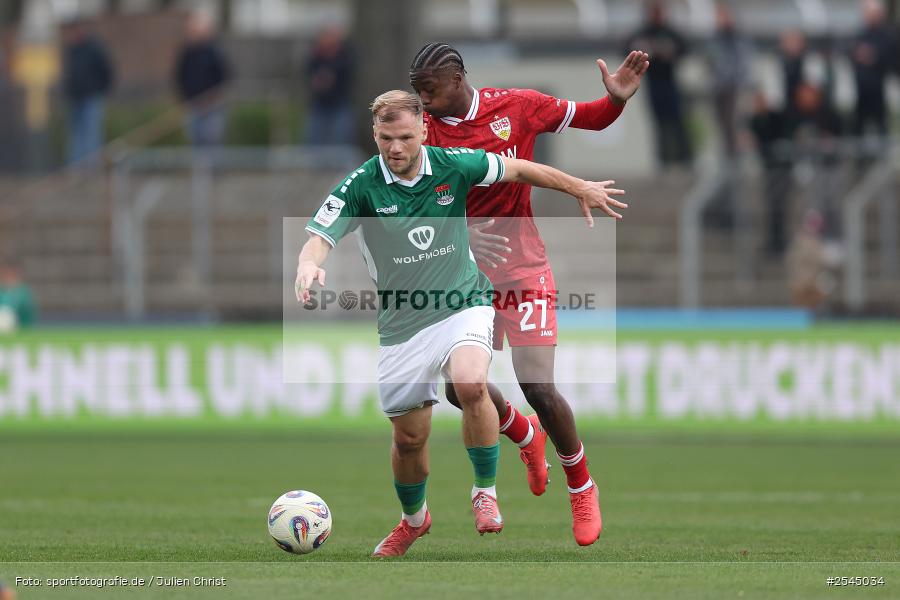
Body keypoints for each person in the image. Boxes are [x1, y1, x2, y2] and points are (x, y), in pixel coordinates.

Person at [295, 90, 627, 557]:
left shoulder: (453, 164)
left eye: (405, 137)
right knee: (409, 440)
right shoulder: (361, 185)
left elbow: (519, 169)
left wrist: (579, 187)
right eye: (386, 138)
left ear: (423, 130)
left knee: (470, 382)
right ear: (374, 133)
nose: (395, 148)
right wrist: (307, 265)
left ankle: (484, 494)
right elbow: (319, 235)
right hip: (403, 322)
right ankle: (415, 520)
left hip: (463, 300)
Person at [408, 42, 647, 546]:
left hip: (522, 268)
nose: (423, 100)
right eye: (417, 92)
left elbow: (593, 118)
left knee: (539, 386)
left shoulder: (517, 106)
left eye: (429, 90)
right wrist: (460, 234)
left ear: (457, 79)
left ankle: (581, 486)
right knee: (458, 388)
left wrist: (616, 99)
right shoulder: (421, 132)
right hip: (462, 276)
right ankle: (522, 432)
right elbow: (409, 205)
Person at [626, 1, 692, 167]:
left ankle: (685, 160)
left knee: (677, 122)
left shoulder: (670, 32)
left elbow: (684, 48)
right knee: (659, 124)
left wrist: (669, 51)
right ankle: (663, 161)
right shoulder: (643, 33)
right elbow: (627, 47)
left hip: (671, 84)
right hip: (653, 85)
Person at [174, 12, 231, 147]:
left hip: (212, 107)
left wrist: (211, 99)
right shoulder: (187, 53)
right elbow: (179, 77)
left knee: (212, 141)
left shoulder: (214, 52)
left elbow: (224, 77)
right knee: (196, 141)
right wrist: (185, 98)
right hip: (192, 106)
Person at [61, 19, 113, 167]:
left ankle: (91, 167)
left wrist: (100, 89)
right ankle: (76, 167)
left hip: (91, 97)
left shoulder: (94, 48)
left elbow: (107, 71)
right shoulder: (71, 50)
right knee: (75, 135)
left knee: (92, 133)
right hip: (75, 98)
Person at [849, 0, 897, 147]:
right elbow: (851, 51)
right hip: (861, 88)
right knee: (859, 125)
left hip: (878, 87)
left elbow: (890, 57)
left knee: (881, 124)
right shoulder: (860, 33)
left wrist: (873, 56)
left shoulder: (887, 35)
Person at [304, 27, 355, 146]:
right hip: (319, 105)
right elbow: (309, 75)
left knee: (340, 139)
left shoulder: (345, 57)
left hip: (340, 104)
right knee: (314, 140)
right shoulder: (315, 57)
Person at [0, 260, 36, 331]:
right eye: (7, 273)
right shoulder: (1, 291)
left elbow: (28, 315)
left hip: (20, 328)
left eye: (12, 274)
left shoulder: (24, 293)